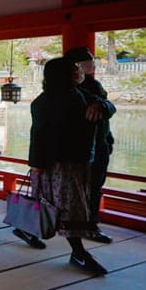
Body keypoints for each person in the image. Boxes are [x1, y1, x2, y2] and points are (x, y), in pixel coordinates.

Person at [28, 57, 106, 275]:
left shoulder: (81, 94)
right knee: (67, 206)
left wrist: (101, 105)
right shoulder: (44, 102)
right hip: (56, 163)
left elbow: (108, 104)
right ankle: (79, 253)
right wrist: (36, 164)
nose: (79, 72)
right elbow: (38, 135)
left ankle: (28, 231)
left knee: (58, 205)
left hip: (77, 160)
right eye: (74, 70)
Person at [65, 46, 117, 244]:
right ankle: (76, 228)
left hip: (100, 142)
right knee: (73, 190)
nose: (93, 63)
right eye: (89, 60)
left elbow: (109, 107)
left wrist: (103, 105)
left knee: (95, 186)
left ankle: (89, 226)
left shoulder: (93, 84)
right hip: (78, 147)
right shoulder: (69, 88)